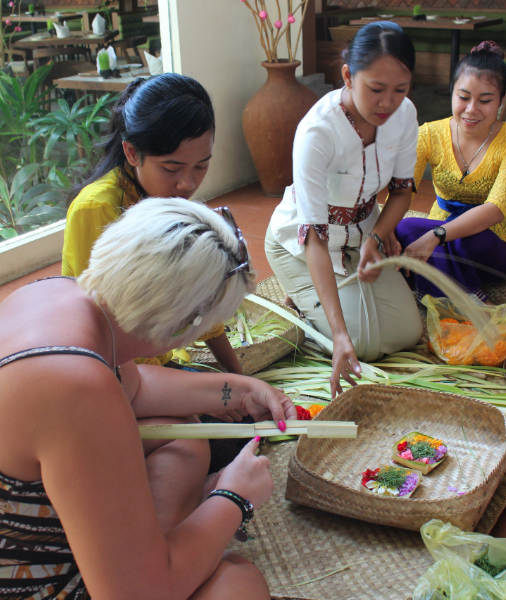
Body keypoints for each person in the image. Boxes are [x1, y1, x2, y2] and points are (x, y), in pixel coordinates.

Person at [0, 197, 296, 599]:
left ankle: (147, 551)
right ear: (180, 326)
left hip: (34, 526)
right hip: (31, 578)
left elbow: (134, 388)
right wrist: (234, 497)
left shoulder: (58, 295)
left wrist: (238, 390)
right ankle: (154, 558)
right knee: (237, 583)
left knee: (185, 435)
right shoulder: (79, 390)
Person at [265, 21, 423, 398]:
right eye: (376, 89)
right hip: (302, 247)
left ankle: (330, 299)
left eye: (400, 90)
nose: (388, 103)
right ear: (348, 76)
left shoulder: (404, 115)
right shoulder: (317, 132)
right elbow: (314, 238)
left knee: (406, 332)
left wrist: (379, 237)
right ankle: (301, 303)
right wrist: (338, 336)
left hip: (363, 234)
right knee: (361, 344)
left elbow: (402, 192)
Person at [62, 72, 242, 372]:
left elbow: (203, 294)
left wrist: (238, 373)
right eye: (171, 168)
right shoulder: (96, 209)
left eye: (201, 166)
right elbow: (107, 333)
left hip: (154, 360)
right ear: (132, 152)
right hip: (111, 367)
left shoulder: (169, 199)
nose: (187, 184)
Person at [395, 41, 506, 341]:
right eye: (464, 97)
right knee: (403, 228)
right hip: (440, 238)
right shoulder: (429, 133)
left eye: (485, 100)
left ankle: (452, 296)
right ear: (452, 92)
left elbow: (495, 210)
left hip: (490, 244)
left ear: (501, 100)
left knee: (448, 240)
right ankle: (481, 306)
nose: (471, 110)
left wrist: (436, 235)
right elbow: (403, 192)